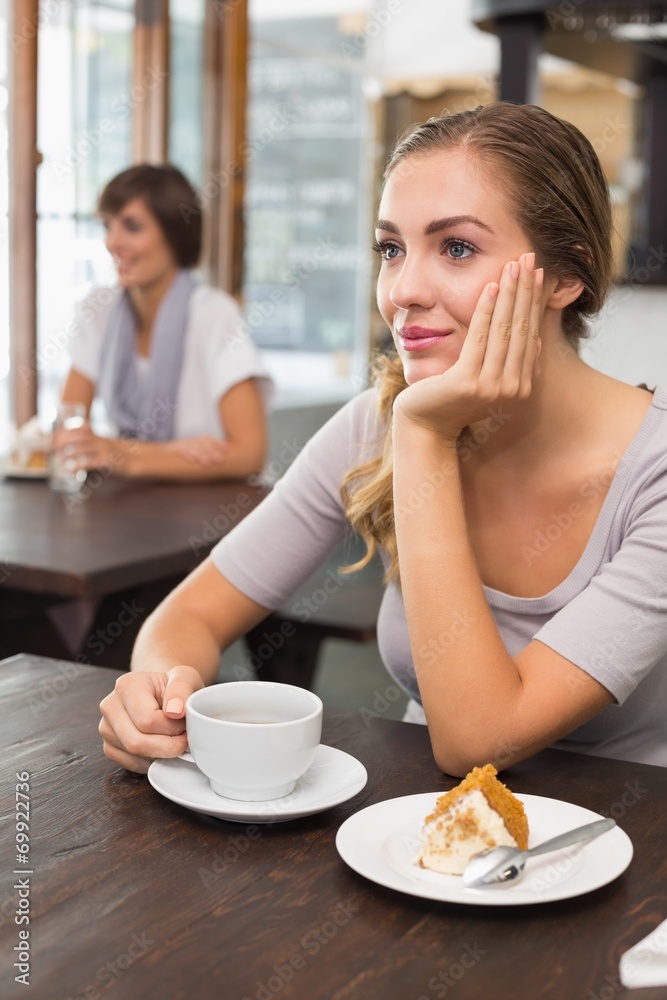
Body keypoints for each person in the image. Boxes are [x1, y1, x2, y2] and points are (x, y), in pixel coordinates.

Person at [99, 102, 667, 777]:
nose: (402, 290)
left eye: (456, 248)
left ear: (566, 275)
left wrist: (424, 435)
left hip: (622, 846)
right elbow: (185, 618)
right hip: (419, 839)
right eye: (391, 249)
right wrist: (159, 698)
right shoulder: (381, 418)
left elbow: (476, 741)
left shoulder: (650, 474)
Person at [60, 164, 271, 480]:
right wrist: (172, 453)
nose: (112, 242)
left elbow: (250, 454)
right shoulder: (99, 309)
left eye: (132, 227)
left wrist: (124, 456)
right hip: (128, 506)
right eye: (107, 225)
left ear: (174, 234)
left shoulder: (213, 313)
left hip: (204, 513)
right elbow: (69, 433)